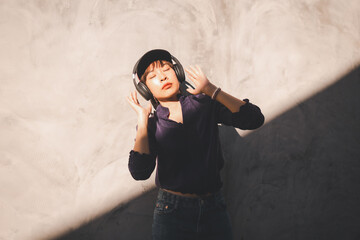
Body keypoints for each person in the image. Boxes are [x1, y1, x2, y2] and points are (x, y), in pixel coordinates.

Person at [126, 49, 264, 240]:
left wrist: (212, 90)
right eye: (153, 76)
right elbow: (139, 172)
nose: (163, 77)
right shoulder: (151, 124)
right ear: (145, 89)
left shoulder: (204, 104)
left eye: (166, 69)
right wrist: (142, 120)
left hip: (214, 208)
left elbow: (254, 119)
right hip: (171, 213)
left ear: (178, 73)